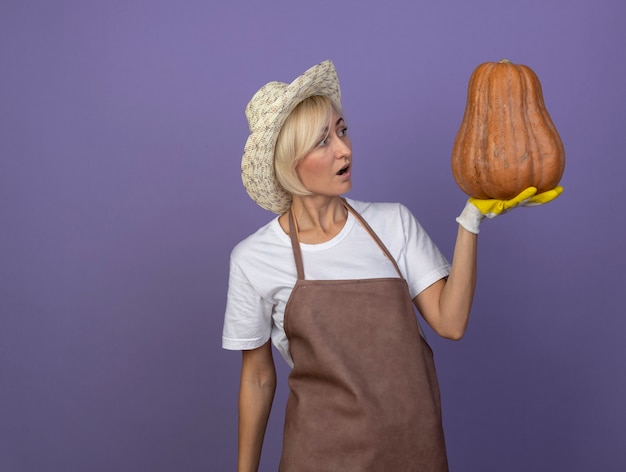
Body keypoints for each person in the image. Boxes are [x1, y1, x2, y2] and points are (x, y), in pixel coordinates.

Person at [222, 60, 562, 472]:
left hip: (411, 451)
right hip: (317, 456)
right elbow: (258, 378)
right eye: (322, 142)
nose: (344, 149)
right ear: (290, 162)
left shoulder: (393, 223)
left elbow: (450, 323)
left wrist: (471, 220)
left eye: (342, 130)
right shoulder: (254, 258)